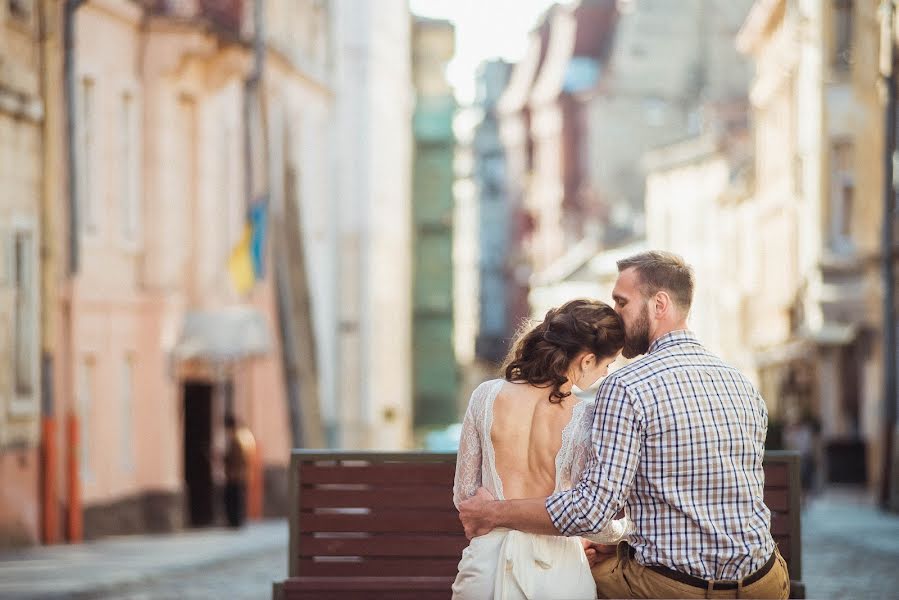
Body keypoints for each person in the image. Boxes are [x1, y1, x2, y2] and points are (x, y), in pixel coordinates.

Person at [459, 251, 790, 599]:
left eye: (622, 302)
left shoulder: (627, 385)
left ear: (659, 304)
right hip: (763, 581)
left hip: (673, 589)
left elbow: (589, 511)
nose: (616, 314)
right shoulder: (741, 383)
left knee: (585, 568)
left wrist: (495, 512)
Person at [452, 299, 632, 600]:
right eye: (607, 364)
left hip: (485, 569)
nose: (605, 375)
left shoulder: (485, 395)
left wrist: (495, 513)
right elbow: (592, 520)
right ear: (586, 360)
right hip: (557, 573)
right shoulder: (587, 416)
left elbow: (465, 498)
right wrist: (626, 529)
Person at [223, 413, 255, 528]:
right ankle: (237, 521)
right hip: (240, 474)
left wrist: (224, 458)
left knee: (233, 500)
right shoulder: (243, 437)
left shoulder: (237, 439)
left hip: (235, 474)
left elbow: (236, 457)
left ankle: (235, 521)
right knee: (237, 499)